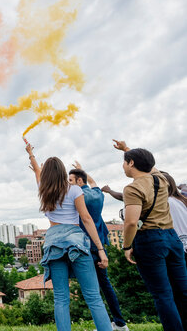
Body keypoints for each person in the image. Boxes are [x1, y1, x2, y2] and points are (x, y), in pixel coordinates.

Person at [25, 142, 111, 331]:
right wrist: (101, 250)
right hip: (76, 242)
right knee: (93, 297)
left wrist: (31, 153)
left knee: (61, 299)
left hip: (53, 243)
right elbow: (87, 219)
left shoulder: (43, 189)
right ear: (63, 172)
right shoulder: (74, 190)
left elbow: (38, 172)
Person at [113, 140, 187, 330]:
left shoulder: (132, 188)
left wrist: (127, 246)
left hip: (150, 241)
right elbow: (151, 166)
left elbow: (130, 222)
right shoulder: (160, 179)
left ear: (131, 163)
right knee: (182, 291)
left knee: (163, 294)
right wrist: (127, 149)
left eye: (124, 161)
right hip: (172, 238)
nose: (123, 166)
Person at [69, 163, 128, 330]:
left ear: (79, 181)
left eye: (71, 180)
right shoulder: (97, 194)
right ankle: (120, 323)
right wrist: (83, 170)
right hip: (100, 243)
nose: (68, 184)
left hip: (86, 245)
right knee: (105, 285)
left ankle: (104, 325)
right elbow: (93, 183)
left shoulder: (78, 197)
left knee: (92, 290)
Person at [160, 171, 187, 258]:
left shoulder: (162, 202)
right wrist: (183, 187)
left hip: (176, 246)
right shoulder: (182, 200)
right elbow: (184, 191)